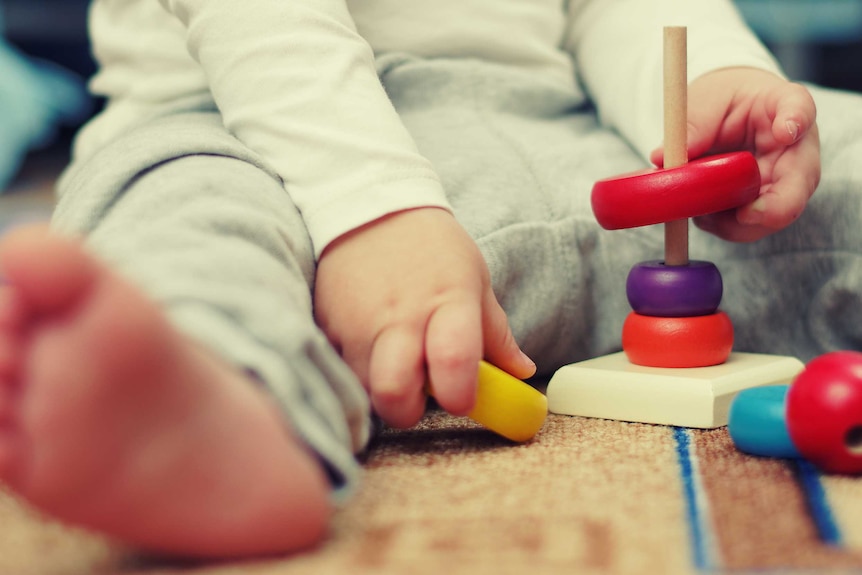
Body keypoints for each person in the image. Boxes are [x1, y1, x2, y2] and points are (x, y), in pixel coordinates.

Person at [0, 0, 858, 560]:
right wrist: (372, 209)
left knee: (832, 144)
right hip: (254, 136)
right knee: (183, 216)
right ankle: (209, 411)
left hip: (570, 135)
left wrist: (712, 94)